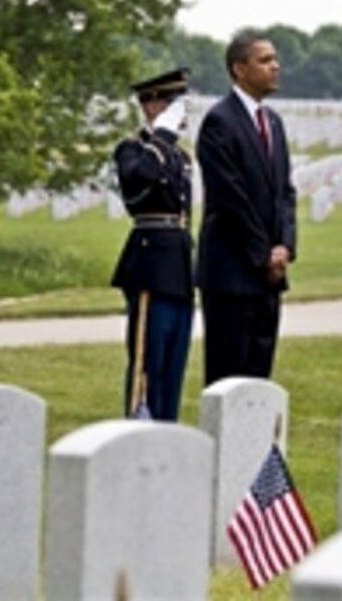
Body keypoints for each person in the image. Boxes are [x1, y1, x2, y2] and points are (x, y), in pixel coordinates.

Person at [196, 30, 297, 387]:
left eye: (275, 59)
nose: (275, 66)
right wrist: (263, 255)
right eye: (265, 60)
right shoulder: (219, 122)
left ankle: (255, 445)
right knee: (228, 377)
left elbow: (284, 191)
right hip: (233, 271)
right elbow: (230, 198)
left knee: (259, 377)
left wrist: (284, 246)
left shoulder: (273, 122)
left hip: (269, 274)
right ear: (239, 69)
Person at [111, 68, 196, 421]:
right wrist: (162, 134)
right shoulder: (132, 149)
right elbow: (139, 183)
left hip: (178, 265)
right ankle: (140, 424)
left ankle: (167, 426)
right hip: (150, 264)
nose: (181, 112)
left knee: (174, 362)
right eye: (172, 103)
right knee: (149, 360)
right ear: (151, 106)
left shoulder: (180, 156)